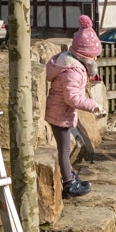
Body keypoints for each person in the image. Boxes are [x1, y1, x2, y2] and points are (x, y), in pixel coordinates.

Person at [45, 15, 107, 197]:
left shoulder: (69, 63)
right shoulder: (74, 71)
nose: (96, 58)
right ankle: (69, 184)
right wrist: (93, 106)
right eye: (95, 55)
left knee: (65, 149)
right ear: (86, 55)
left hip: (60, 111)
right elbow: (73, 98)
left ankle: (69, 175)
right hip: (60, 114)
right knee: (64, 150)